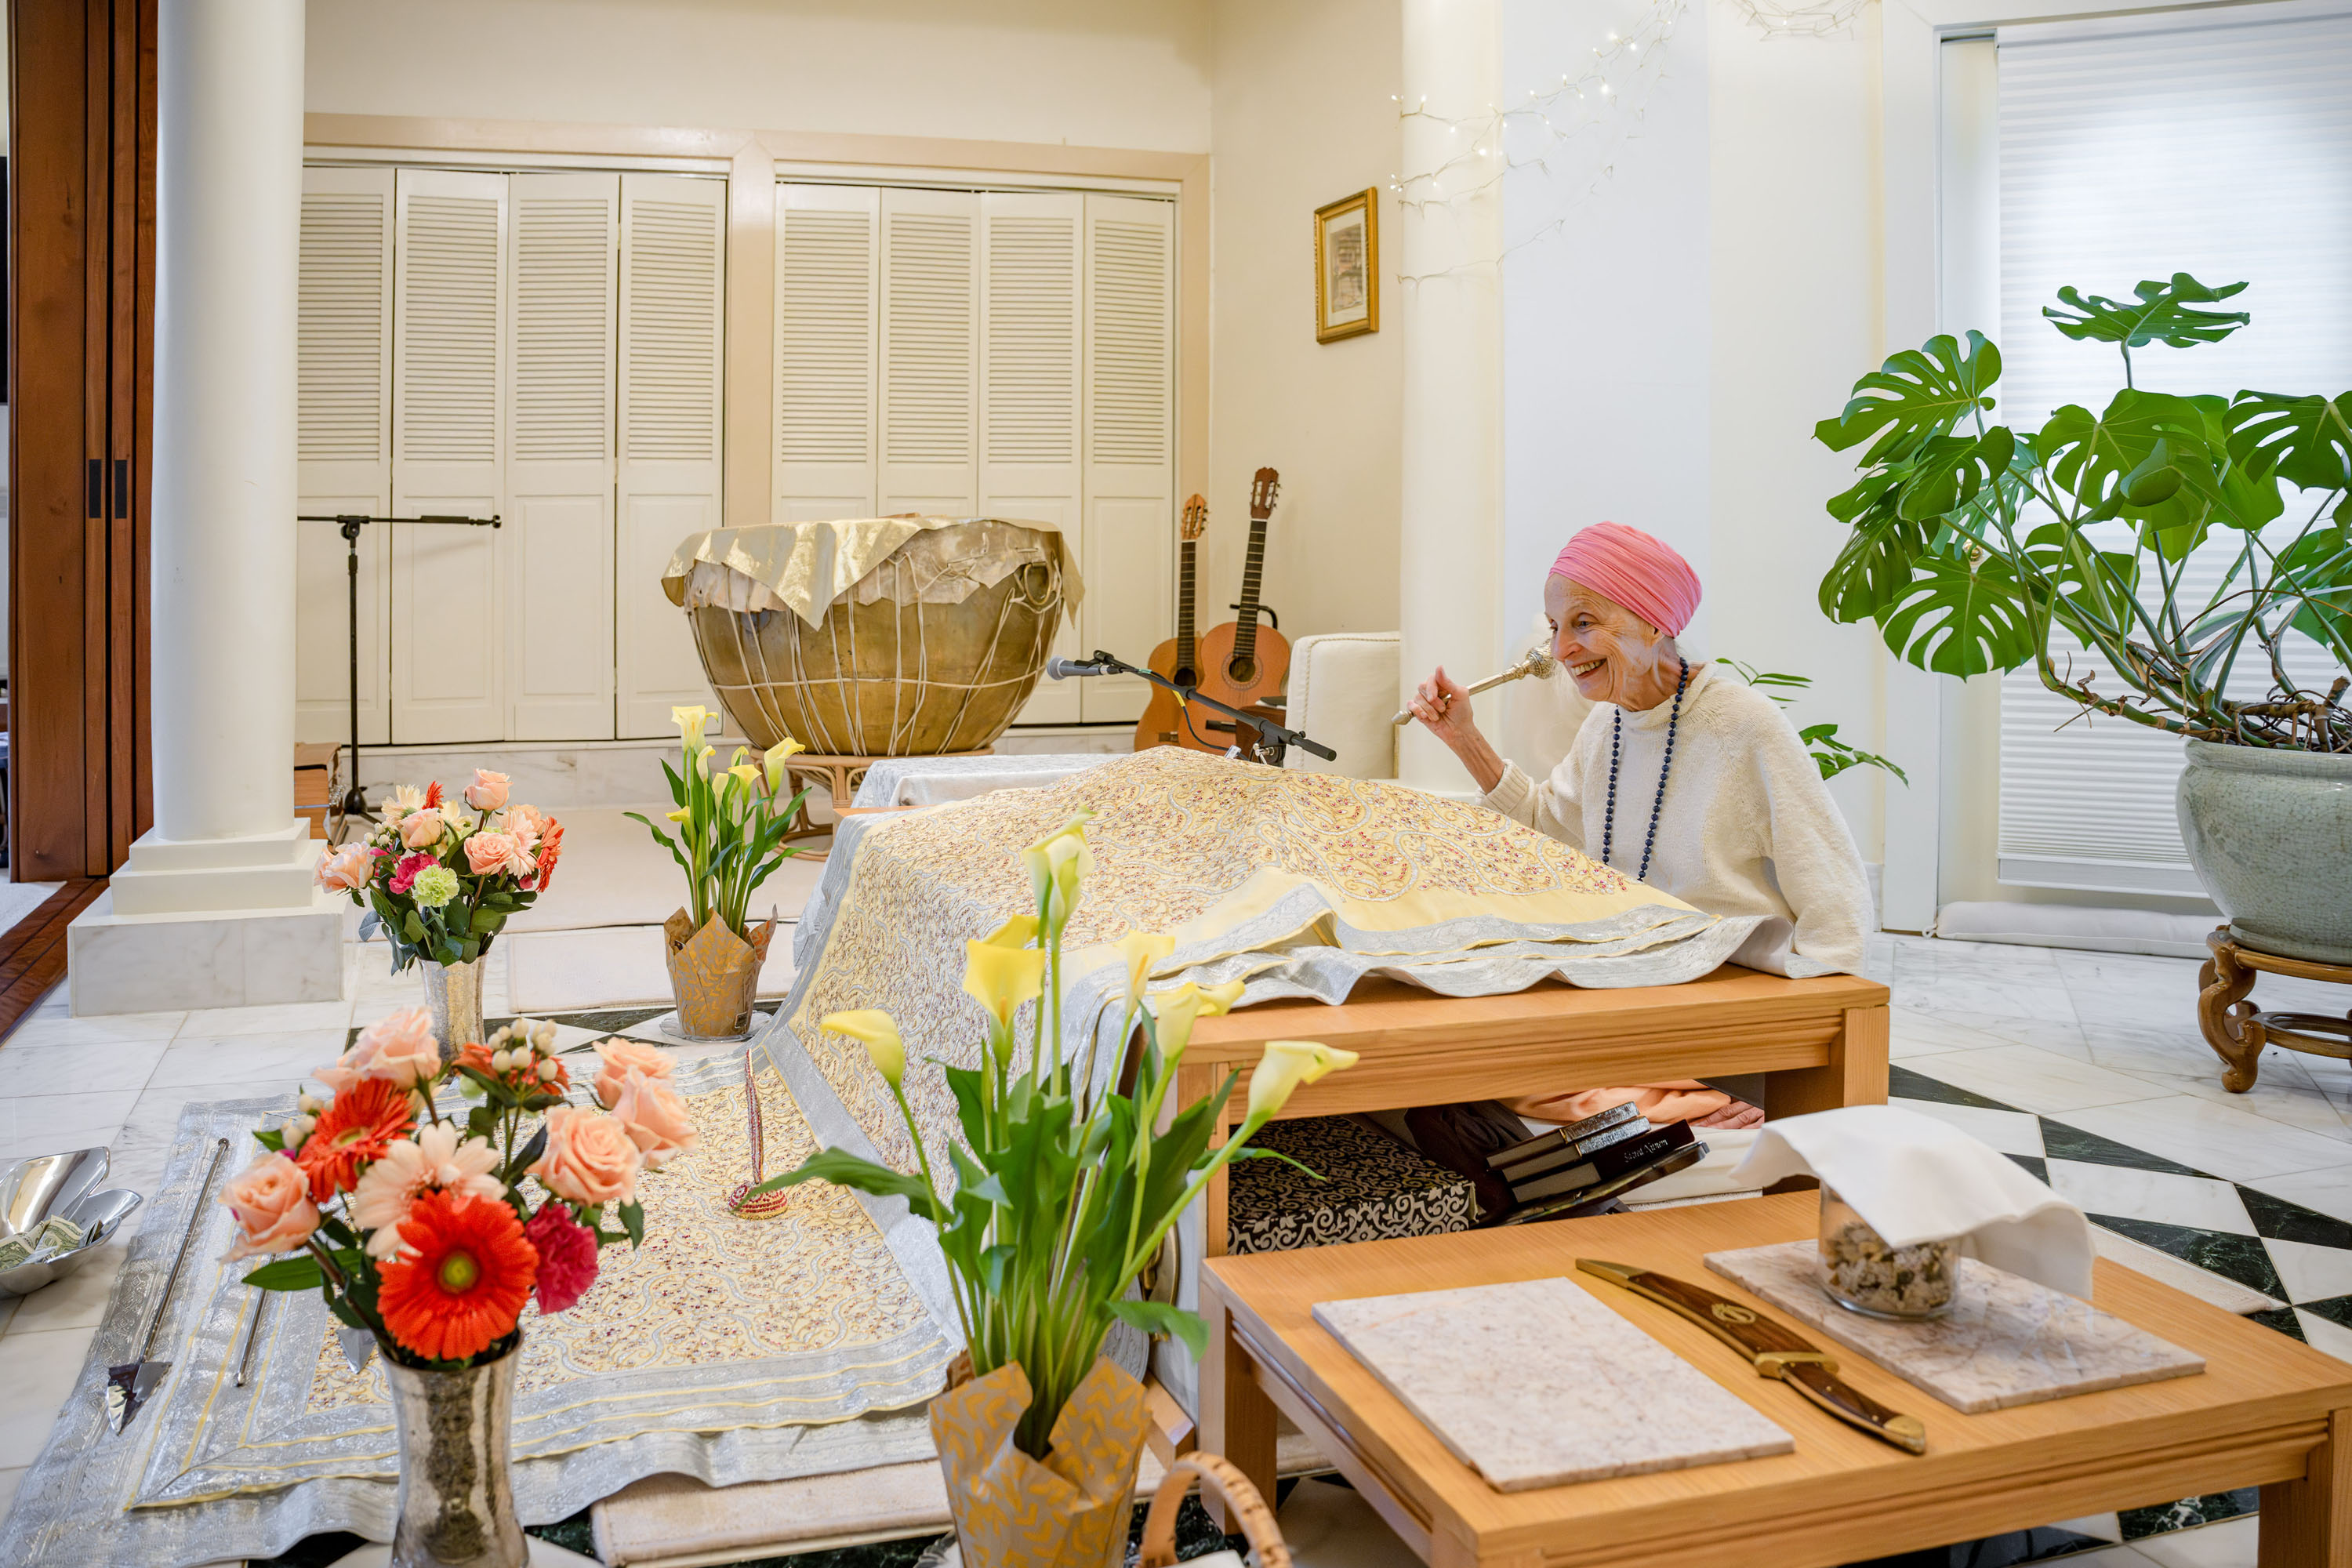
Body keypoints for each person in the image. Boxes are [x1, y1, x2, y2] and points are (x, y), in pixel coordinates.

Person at [1406, 520, 1873, 1138]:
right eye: (1555, 629)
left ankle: (1682, 1097)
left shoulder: (1746, 725)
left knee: (1516, 1066)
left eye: (1582, 622)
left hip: (1716, 983)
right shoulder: (1610, 725)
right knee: (1471, 1028)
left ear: (1655, 623)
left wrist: (1805, 1032)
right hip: (1634, 971)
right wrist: (1463, 738)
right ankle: (1666, 1094)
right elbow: (1549, 826)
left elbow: (1835, 898)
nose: (1561, 649)